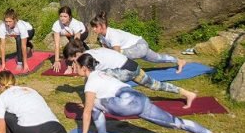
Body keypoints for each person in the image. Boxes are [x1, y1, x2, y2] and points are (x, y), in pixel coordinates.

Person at [74, 53, 224, 133]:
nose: (74, 68)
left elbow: (87, 112)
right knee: (176, 122)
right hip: (140, 99)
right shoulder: (103, 73)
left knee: (93, 105)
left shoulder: (90, 83)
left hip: (126, 103)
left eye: (76, 65)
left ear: (85, 68)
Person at [63, 39, 196, 108]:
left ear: (76, 54)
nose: (73, 64)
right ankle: (187, 93)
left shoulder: (88, 58)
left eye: (72, 61)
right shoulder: (92, 52)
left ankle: (101, 105)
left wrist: (88, 103)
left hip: (126, 70)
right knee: (155, 85)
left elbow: (91, 80)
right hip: (133, 66)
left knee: (100, 80)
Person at [89, 12, 186, 74]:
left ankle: (129, 71)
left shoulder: (113, 35)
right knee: (157, 58)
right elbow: (106, 50)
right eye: (92, 27)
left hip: (140, 46)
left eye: (95, 27)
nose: (93, 29)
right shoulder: (102, 36)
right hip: (135, 48)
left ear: (103, 26)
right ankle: (179, 61)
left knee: (117, 55)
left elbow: (116, 54)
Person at [52, 5, 89, 73]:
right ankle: (87, 49)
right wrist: (56, 60)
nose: (62, 18)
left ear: (69, 17)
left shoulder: (75, 24)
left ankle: (71, 66)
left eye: (65, 16)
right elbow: (57, 44)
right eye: (61, 16)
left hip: (83, 32)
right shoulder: (56, 24)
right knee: (73, 44)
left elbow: (75, 45)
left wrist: (74, 63)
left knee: (72, 46)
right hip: (70, 34)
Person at [0, 8, 35, 72]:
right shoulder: (2, 26)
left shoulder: (21, 26)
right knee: (19, 38)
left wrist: (25, 65)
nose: (8, 24)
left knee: (19, 39)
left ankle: (20, 63)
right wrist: (3, 65)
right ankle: (29, 45)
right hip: (18, 34)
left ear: (15, 20)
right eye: (6, 21)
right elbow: (2, 46)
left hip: (30, 31)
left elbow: (23, 46)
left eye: (10, 21)